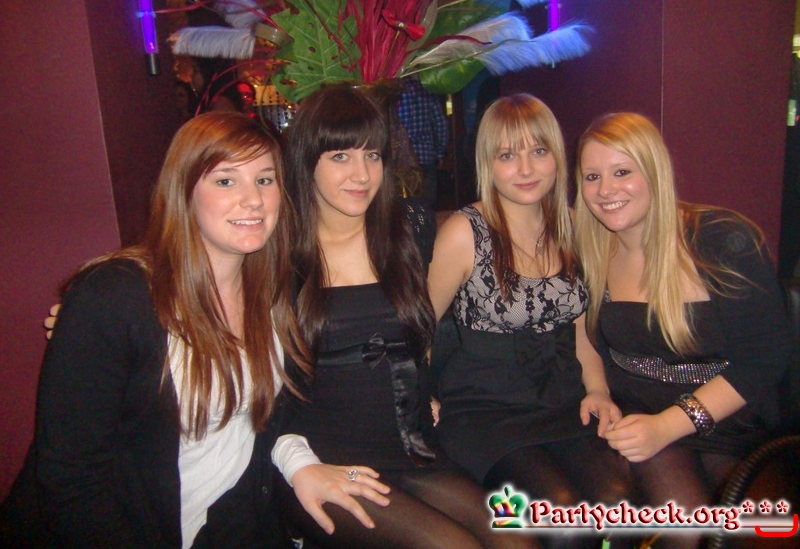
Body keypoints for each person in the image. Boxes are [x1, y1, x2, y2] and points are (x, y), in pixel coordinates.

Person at [0, 112, 389, 548]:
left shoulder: (274, 294)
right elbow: (71, 481)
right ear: (184, 190)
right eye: (226, 181)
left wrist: (301, 463)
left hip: (228, 522)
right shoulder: (116, 297)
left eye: (264, 180)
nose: (253, 200)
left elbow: (275, 415)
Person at [270, 83, 537, 549]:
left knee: (518, 540)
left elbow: (430, 323)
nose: (361, 174)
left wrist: (424, 389)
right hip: (330, 463)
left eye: (372, 155)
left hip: (412, 449)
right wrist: (298, 464)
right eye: (340, 157)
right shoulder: (278, 254)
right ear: (306, 160)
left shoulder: (408, 227)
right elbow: (258, 386)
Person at [573, 112, 793, 549]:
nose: (606, 190)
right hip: (642, 413)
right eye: (592, 176)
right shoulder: (591, 249)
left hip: (732, 419)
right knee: (685, 530)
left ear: (654, 170)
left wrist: (670, 424)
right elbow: (582, 330)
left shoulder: (720, 240)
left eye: (622, 172)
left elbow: (764, 359)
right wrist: (597, 389)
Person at [426, 94, 634, 549]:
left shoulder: (576, 226)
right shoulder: (465, 232)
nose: (525, 169)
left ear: (557, 155)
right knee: (563, 523)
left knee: (618, 508)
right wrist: (421, 396)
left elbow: (579, 329)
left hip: (562, 398)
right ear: (488, 163)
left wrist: (598, 390)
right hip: (485, 408)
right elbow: (419, 326)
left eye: (538, 151)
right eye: (507, 155)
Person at [397, 75, 450, 210]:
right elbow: (441, 125)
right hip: (426, 157)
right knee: (426, 205)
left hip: (400, 159)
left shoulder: (396, 91)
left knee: (403, 206)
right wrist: (440, 154)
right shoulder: (428, 90)